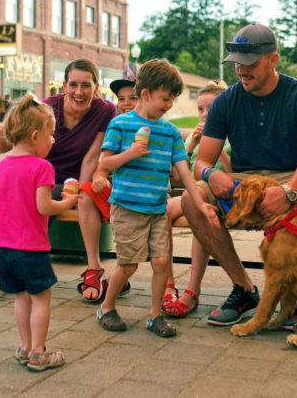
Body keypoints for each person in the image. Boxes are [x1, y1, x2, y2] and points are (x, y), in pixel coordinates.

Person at [181, 23, 297, 327]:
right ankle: (245, 290)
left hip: (291, 175)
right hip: (244, 181)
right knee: (191, 197)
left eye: (249, 63)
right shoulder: (226, 101)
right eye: (236, 63)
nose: (241, 70)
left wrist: (289, 190)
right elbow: (202, 162)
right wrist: (211, 174)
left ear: (272, 59)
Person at [92, 59, 219, 337]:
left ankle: (155, 315)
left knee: (162, 262)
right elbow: (105, 164)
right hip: (126, 208)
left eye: (173, 98)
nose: (169, 104)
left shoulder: (169, 131)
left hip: (157, 209)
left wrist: (200, 204)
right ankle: (107, 306)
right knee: (128, 265)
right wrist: (131, 154)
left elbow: (184, 172)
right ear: (146, 93)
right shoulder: (121, 125)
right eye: (165, 98)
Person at [0, 59, 118, 303]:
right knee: (36, 197)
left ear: (96, 87)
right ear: (63, 85)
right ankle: (3, 264)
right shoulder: (47, 108)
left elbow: (92, 156)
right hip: (41, 177)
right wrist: (4, 125)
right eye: (73, 84)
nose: (79, 92)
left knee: (77, 196)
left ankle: (93, 268)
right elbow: (2, 147)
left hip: (74, 179)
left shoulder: (105, 110)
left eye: (86, 85)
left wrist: (83, 190)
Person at [0, 93, 79, 371]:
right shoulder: (42, 167)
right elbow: (44, 207)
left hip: (2, 248)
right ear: (35, 135)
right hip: (31, 248)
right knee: (41, 298)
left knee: (21, 297)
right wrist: (68, 202)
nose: (54, 140)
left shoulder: (2, 166)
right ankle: (39, 353)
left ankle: (25, 347)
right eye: (51, 135)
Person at [163, 81, 232, 317]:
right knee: (161, 214)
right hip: (190, 194)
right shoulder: (194, 135)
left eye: (210, 108)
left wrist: (216, 146)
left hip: (220, 198)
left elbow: (235, 173)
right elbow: (177, 177)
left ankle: (192, 290)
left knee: (200, 216)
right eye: (200, 109)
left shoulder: (232, 136)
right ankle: (168, 284)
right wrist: (192, 143)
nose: (204, 114)